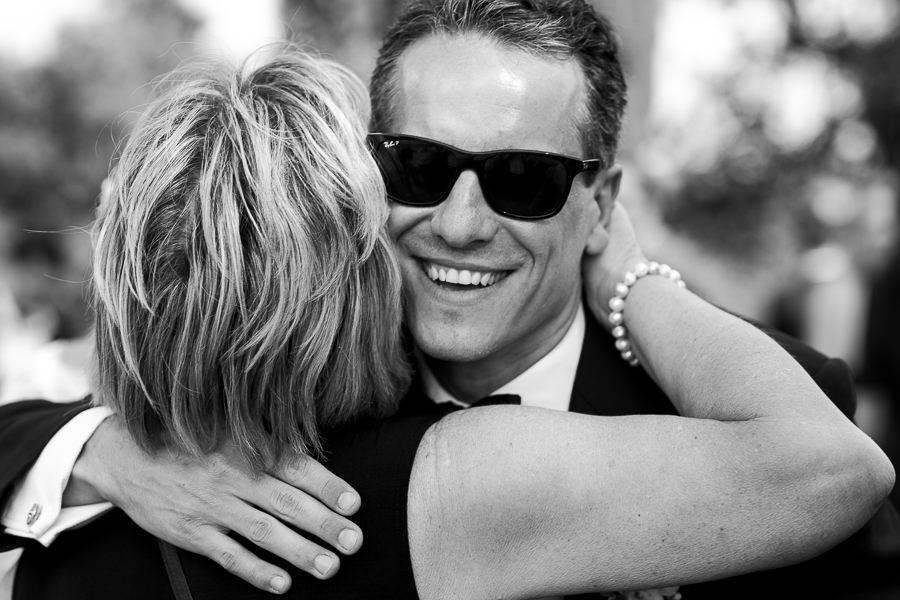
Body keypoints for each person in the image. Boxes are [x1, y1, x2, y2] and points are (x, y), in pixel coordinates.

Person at [0, 0, 894, 596]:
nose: (462, 223)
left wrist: (634, 290)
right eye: (418, 167)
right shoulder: (265, 396)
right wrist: (96, 446)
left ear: (602, 206)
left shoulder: (763, 399)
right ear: (366, 171)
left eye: (523, 180)